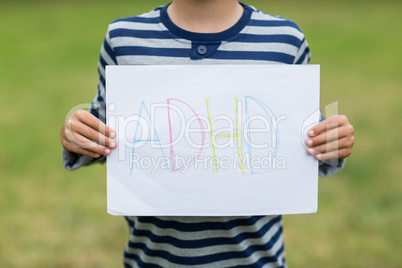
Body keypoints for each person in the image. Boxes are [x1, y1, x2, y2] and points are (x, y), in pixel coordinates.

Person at [60, 0, 355, 267]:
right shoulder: (124, 38)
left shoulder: (285, 40)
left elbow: (305, 141)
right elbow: (103, 132)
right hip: (152, 259)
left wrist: (332, 142)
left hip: (256, 260)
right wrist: (79, 135)